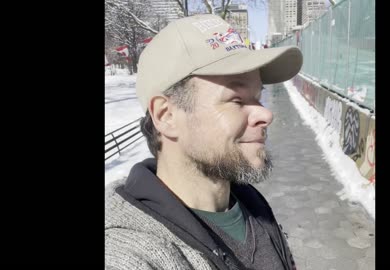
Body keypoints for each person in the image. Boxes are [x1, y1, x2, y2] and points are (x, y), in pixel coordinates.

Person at [105, 14, 303, 270]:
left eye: (257, 97)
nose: (266, 114)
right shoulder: (129, 255)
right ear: (166, 116)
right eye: (237, 100)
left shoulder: (248, 202)